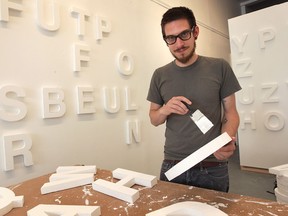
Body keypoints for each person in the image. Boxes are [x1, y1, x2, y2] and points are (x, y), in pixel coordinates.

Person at [146, 6, 241, 192]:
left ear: (195, 31)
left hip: (213, 165)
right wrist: (165, 109)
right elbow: (153, 119)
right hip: (173, 164)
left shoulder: (219, 67)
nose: (179, 44)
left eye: (184, 34)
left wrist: (226, 140)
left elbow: (231, 113)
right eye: (171, 38)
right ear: (165, 40)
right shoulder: (159, 75)